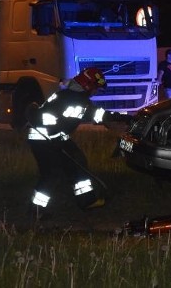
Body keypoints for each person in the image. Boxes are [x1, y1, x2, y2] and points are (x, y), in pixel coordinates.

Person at [25, 68, 131, 220]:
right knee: (51, 174)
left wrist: (121, 118)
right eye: (95, 88)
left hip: (56, 138)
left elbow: (97, 114)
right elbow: (44, 118)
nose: (96, 92)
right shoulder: (73, 99)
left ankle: (87, 201)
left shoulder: (76, 98)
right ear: (88, 85)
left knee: (78, 162)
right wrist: (52, 136)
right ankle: (35, 211)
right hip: (43, 139)